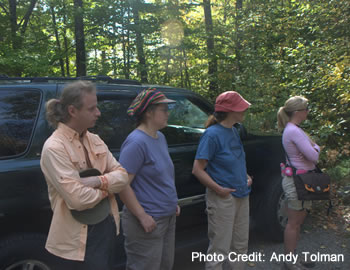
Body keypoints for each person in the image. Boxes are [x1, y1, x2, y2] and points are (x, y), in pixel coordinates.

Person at [40, 81, 130, 270]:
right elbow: (78, 199)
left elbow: (123, 176)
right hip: (75, 240)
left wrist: (98, 181)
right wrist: (108, 189)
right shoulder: (55, 147)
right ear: (72, 111)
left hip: (105, 229)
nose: (98, 113)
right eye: (92, 108)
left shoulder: (95, 140)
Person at [119, 88, 180, 270]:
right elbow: (122, 185)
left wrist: (171, 202)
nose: (167, 113)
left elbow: (162, 176)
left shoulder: (160, 137)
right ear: (148, 112)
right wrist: (142, 215)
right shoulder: (136, 142)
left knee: (165, 266)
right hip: (147, 222)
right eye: (163, 109)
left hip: (166, 217)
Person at [192, 91, 253, 270]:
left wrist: (245, 176)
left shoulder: (233, 131)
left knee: (240, 246)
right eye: (241, 107)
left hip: (242, 195)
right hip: (223, 199)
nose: (245, 110)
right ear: (229, 110)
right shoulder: (211, 135)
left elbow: (234, 161)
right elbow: (198, 170)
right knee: (219, 250)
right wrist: (219, 189)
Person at [277, 96, 320, 270]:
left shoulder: (294, 129)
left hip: (302, 179)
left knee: (298, 221)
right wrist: (316, 147)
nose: (308, 111)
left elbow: (310, 151)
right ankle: (289, 261)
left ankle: (293, 256)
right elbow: (314, 156)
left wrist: (312, 147)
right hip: (297, 181)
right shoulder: (293, 131)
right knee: (293, 222)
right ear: (297, 112)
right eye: (306, 109)